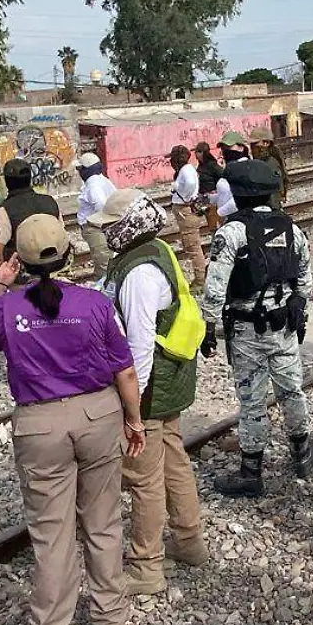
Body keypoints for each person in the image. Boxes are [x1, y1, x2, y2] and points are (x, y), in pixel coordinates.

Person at [0, 214, 146, 625]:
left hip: (40, 425)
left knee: (52, 537)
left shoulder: (8, 308)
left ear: (20, 261)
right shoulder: (94, 303)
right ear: (70, 253)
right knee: (104, 522)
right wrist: (134, 419)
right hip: (97, 415)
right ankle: (111, 621)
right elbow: (124, 369)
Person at [89, 190, 208, 593]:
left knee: (143, 475)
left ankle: (146, 566)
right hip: (171, 373)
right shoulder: (155, 248)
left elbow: (138, 343)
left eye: (110, 224)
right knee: (173, 457)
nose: (104, 230)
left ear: (126, 227)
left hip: (152, 382)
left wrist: (132, 407)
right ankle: (189, 541)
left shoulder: (138, 272)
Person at [201, 160, 313, 497]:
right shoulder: (291, 229)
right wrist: (299, 311)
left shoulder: (231, 232)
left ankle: (251, 471)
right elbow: (305, 280)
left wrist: (208, 326)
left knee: (252, 399)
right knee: (291, 390)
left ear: (237, 194)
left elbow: (215, 287)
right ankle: (302, 452)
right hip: (284, 325)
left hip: (246, 330)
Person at [0, 158, 60, 272]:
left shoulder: (5, 209)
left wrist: (3, 277)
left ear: (7, 181)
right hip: (53, 269)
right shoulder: (50, 202)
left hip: (22, 275)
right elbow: (61, 234)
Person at [167, 145, 208, 286]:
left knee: (193, 245)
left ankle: (200, 279)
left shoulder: (185, 171)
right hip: (184, 210)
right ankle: (200, 276)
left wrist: (185, 196)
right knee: (190, 243)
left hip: (185, 210)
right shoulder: (187, 169)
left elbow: (190, 184)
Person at [73, 152, 118, 281]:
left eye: (80, 169)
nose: (79, 172)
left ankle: (106, 291)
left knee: (103, 262)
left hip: (96, 227)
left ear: (87, 169)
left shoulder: (93, 185)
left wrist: (100, 223)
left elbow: (101, 205)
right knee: (105, 259)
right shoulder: (101, 180)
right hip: (100, 226)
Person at [250, 134, 289, 209]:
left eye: (255, 143)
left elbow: (274, 194)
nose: (253, 147)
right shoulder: (260, 162)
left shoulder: (271, 164)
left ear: (266, 143)